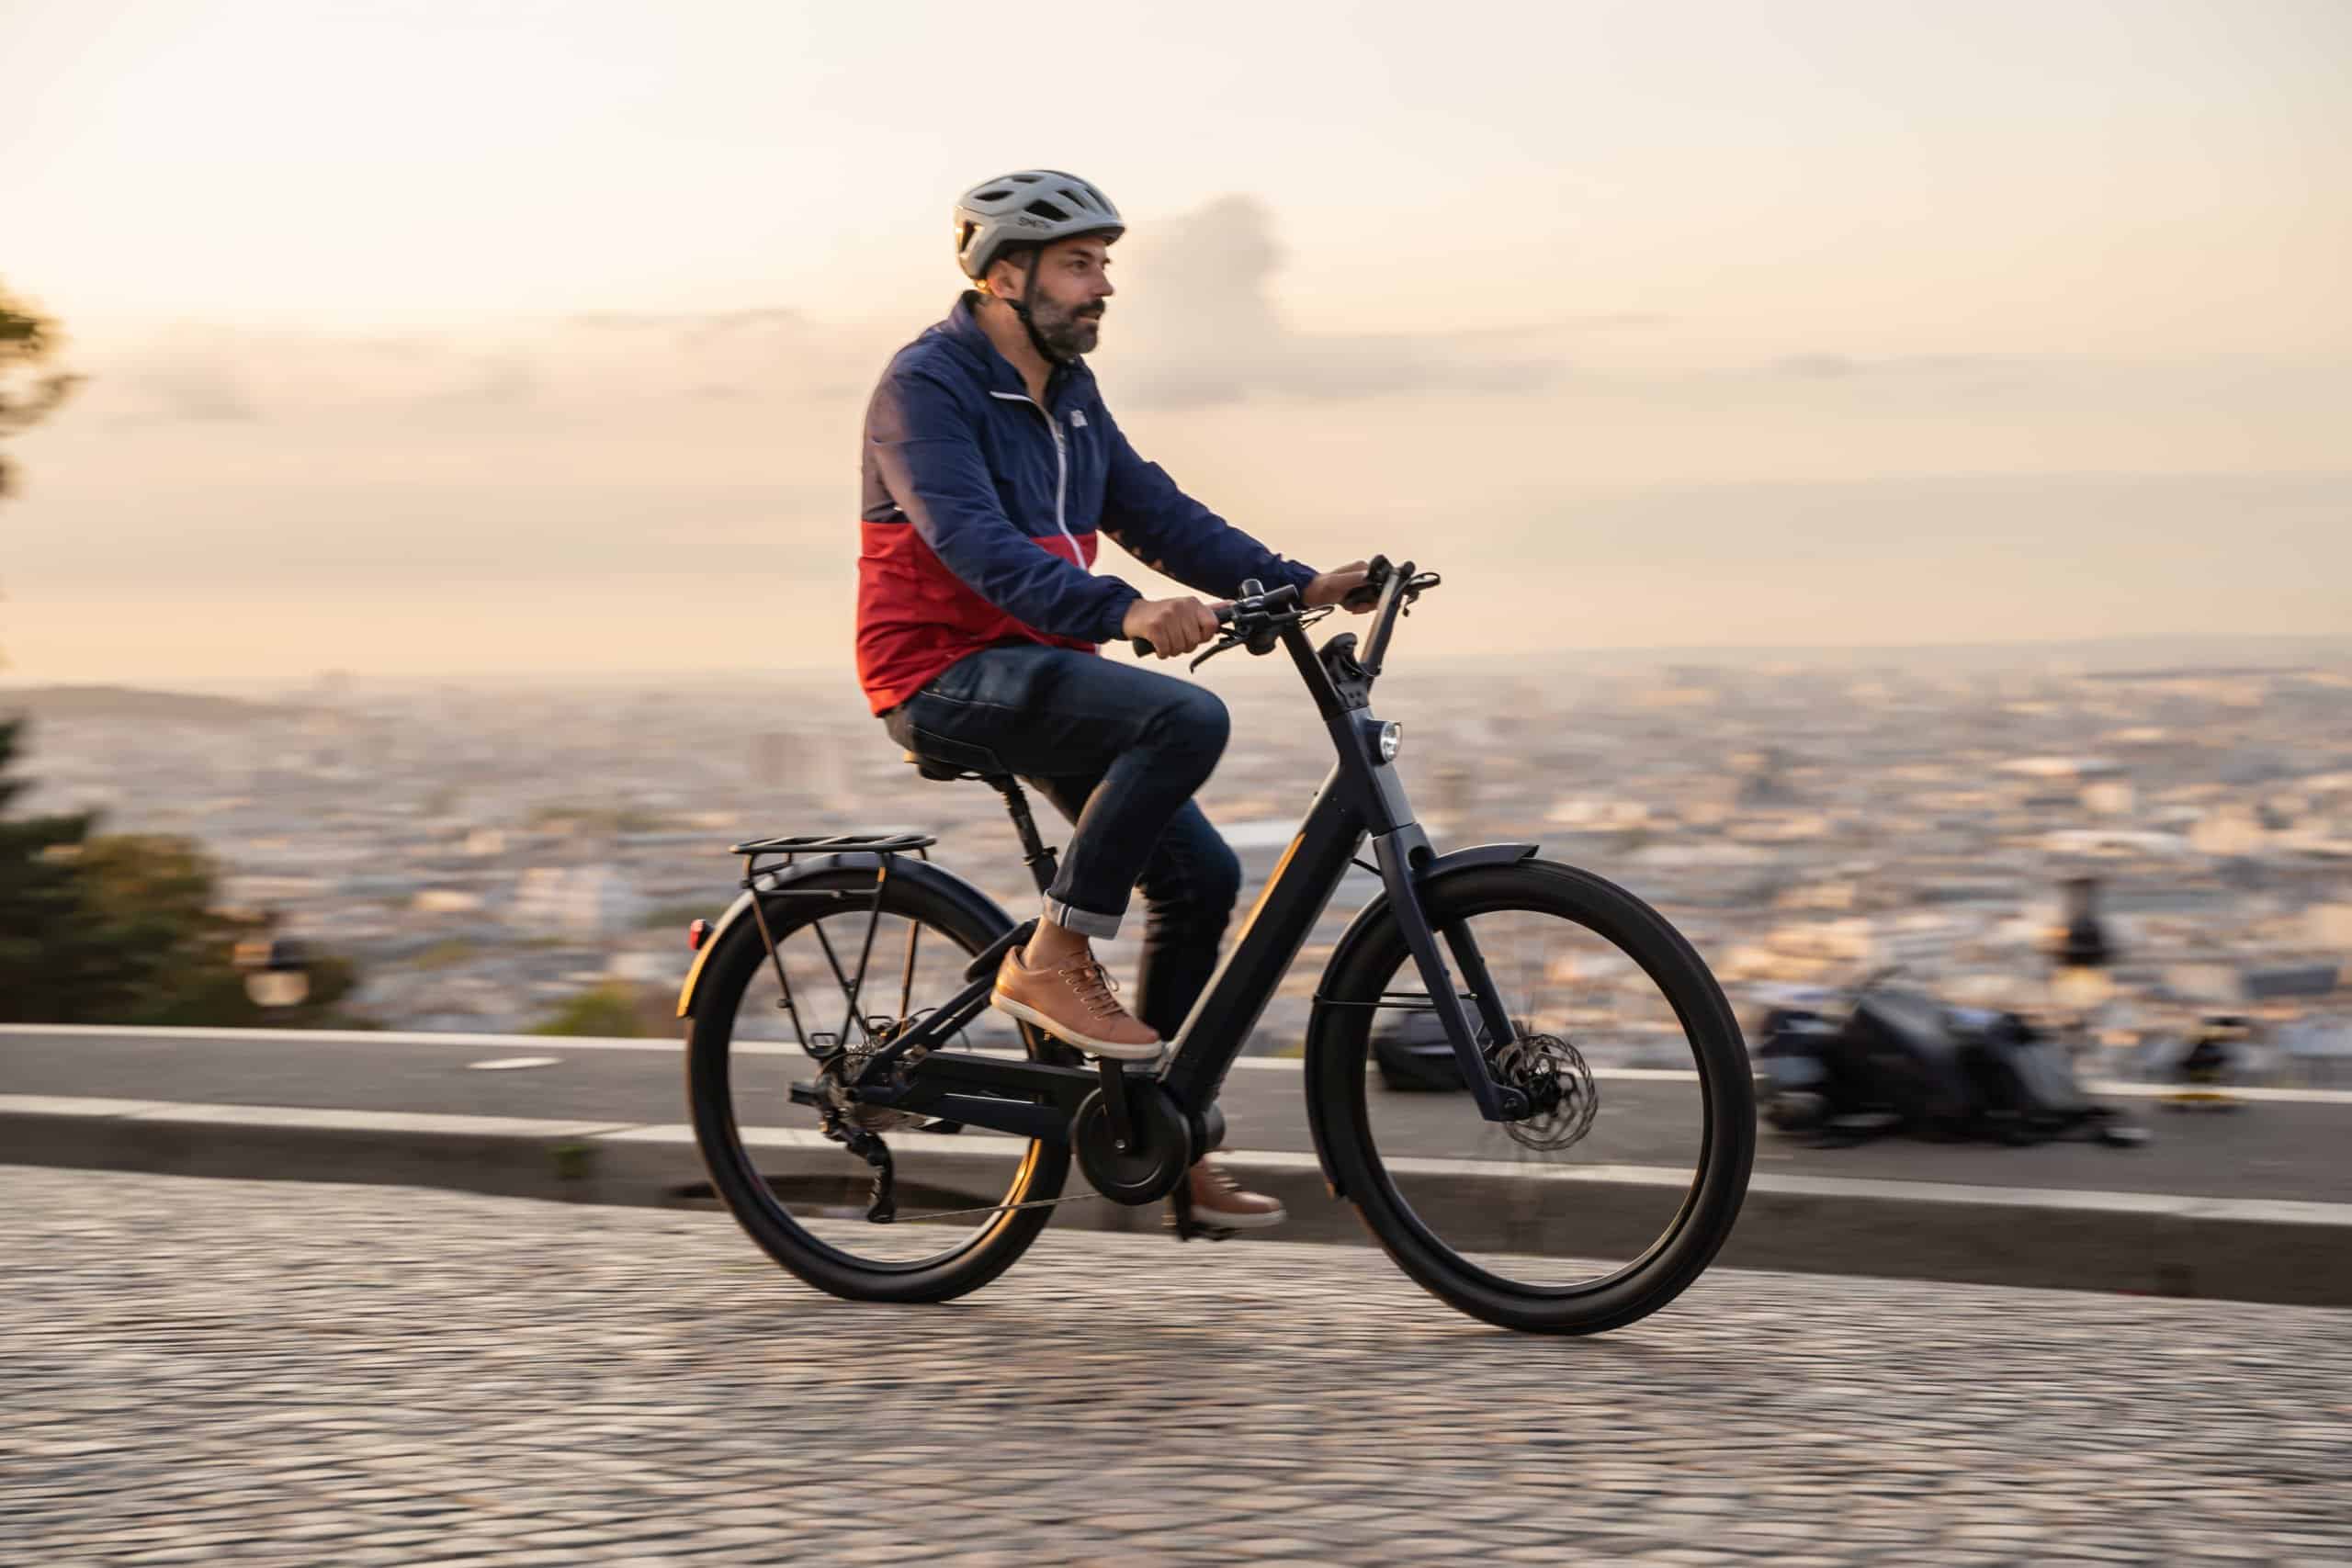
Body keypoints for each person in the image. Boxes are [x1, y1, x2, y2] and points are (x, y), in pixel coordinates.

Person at [856, 170, 1371, 1229]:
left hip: (1041, 671)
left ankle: (1162, 1131)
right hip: (941, 673)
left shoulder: (1069, 394)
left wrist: (1292, 582)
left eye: (1104, 267)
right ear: (1006, 276)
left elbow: (1153, 510)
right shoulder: (926, 388)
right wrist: (1124, 613)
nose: (1103, 288)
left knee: (1200, 877)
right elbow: (973, 545)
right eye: (1079, 266)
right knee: (1183, 714)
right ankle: (1053, 958)